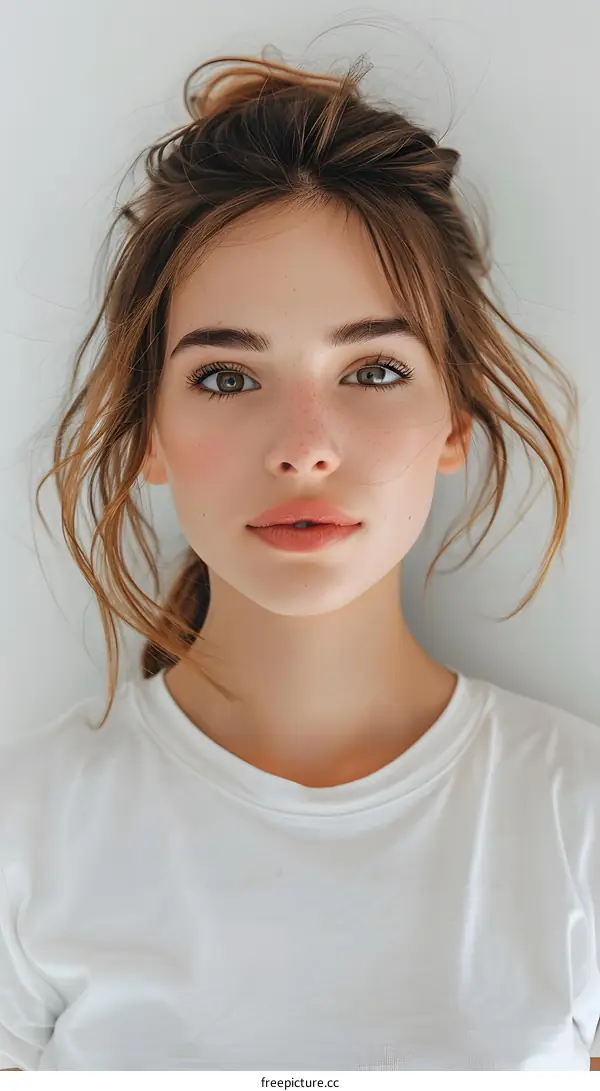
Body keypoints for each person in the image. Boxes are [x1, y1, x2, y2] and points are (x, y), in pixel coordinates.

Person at [1, 49, 599, 1073]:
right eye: (229, 377)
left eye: (372, 369)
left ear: (453, 419)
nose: (305, 444)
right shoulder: (26, 835)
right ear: (148, 430)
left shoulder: (576, 819)